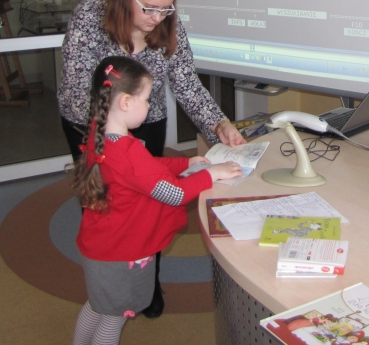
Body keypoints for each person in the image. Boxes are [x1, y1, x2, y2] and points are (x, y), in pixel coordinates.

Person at [58, 0, 246, 317]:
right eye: (148, 8)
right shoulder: (90, 16)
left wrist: (218, 123)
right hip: (92, 123)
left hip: (146, 118)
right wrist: (118, 140)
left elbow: (186, 82)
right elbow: (79, 86)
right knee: (107, 209)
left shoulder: (168, 25)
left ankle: (145, 280)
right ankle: (107, 283)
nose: (157, 17)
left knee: (149, 205)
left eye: (166, 8)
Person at [71, 56, 242, 345]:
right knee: (115, 317)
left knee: (98, 307)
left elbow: (147, 169)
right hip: (120, 254)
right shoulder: (127, 153)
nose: (150, 106)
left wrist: (184, 164)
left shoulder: (102, 136)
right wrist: (211, 174)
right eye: (147, 99)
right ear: (126, 102)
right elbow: (174, 194)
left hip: (100, 248)